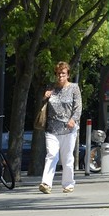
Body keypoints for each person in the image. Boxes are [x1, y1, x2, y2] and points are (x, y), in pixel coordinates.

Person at [39, 61, 82, 195]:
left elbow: (78, 106)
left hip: (68, 128)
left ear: (68, 74)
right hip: (52, 128)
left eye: (63, 73)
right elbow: (43, 106)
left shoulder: (74, 88)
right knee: (51, 154)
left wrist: (73, 120)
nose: (60, 76)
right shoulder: (51, 88)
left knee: (67, 157)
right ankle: (46, 183)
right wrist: (44, 97)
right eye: (58, 73)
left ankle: (68, 184)